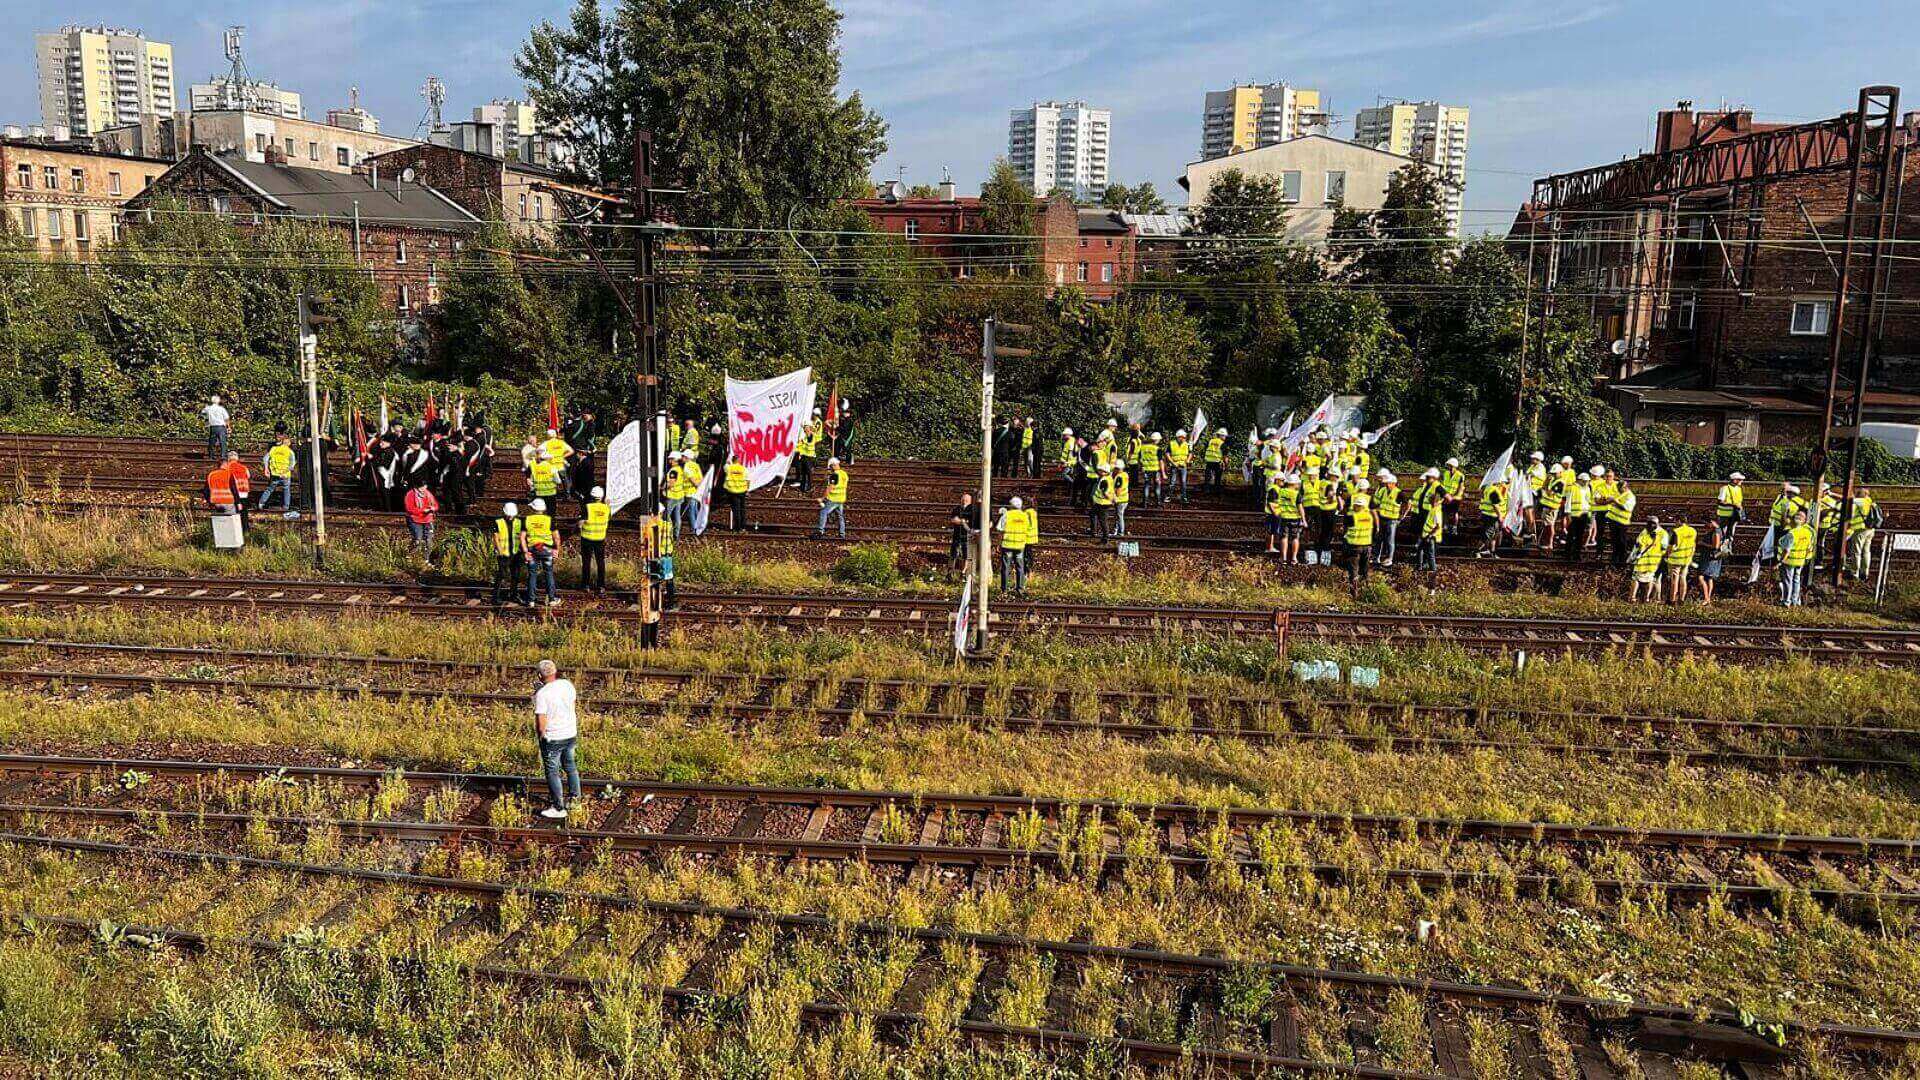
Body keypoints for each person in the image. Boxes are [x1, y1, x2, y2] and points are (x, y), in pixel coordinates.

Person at [533, 660, 580, 820]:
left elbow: (541, 721)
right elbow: (571, 704)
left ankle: (558, 807)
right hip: (570, 733)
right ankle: (575, 801)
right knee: (571, 767)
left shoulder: (542, 694)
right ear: (555, 671)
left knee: (553, 772)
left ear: (540, 675)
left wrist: (541, 737)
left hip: (553, 738)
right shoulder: (567, 685)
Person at [525, 498, 560, 608]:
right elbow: (557, 537)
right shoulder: (549, 520)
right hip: (547, 550)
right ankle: (551, 599)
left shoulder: (527, 519)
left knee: (532, 574)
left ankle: (531, 600)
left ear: (533, 508)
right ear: (543, 509)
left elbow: (522, 537)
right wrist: (556, 549)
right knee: (548, 573)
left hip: (532, 549)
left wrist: (525, 551)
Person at [996, 496, 1032, 597]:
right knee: (1020, 567)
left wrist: (999, 543)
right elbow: (1028, 530)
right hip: (1020, 546)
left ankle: (1004, 590)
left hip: (1007, 546)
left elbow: (999, 529)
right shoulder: (1025, 516)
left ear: (1011, 505)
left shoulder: (1007, 515)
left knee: (1005, 568)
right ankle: (1020, 589)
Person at [492, 502, 525, 606]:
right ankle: (495, 597)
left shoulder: (519, 522)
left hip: (516, 552)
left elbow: (522, 537)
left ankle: (514, 594)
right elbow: (496, 537)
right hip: (504, 553)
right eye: (509, 514)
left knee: (515, 575)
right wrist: (499, 549)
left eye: (512, 514)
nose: (510, 516)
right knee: (501, 575)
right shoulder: (498, 522)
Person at [1629, 516, 1669, 603]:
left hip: (1645, 559)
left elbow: (1638, 545)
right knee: (1651, 579)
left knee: (1636, 579)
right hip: (1654, 560)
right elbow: (1664, 548)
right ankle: (1648, 598)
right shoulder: (1663, 533)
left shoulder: (1646, 531)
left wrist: (1632, 557)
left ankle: (1633, 597)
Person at [1344, 479, 1375, 592]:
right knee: (1365, 570)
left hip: (1355, 546)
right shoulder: (1369, 517)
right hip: (1367, 546)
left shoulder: (1352, 517)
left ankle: (1354, 592)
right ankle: (1367, 589)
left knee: (1354, 570)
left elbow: (1346, 529)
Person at [646, 504, 677, 611]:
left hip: (656, 556)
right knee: (669, 579)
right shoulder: (667, 525)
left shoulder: (650, 525)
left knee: (654, 579)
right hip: (667, 556)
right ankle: (671, 602)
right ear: (661, 513)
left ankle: (654, 603)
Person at [579, 486, 610, 593]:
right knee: (600, 562)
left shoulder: (587, 507)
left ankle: (586, 585)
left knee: (586, 562)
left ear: (592, 496)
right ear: (601, 496)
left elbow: (580, 524)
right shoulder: (606, 508)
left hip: (587, 539)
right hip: (600, 539)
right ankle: (601, 586)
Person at [1780, 510, 1814, 607]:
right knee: (1796, 580)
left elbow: (1787, 550)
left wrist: (1780, 561)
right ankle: (1795, 601)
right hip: (1800, 561)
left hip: (1790, 560)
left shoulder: (1792, 533)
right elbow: (1809, 548)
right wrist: (1805, 559)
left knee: (1788, 581)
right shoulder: (1808, 533)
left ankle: (1786, 602)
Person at [1846, 485, 1880, 581]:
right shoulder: (1869, 501)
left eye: (1859, 493)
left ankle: (1855, 573)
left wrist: (1832, 493)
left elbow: (1848, 499)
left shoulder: (1862, 501)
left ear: (1864, 494)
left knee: (1856, 552)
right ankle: (1864, 572)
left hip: (1860, 530)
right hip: (1870, 530)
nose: (1857, 494)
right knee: (1866, 551)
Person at [403, 479, 438, 561]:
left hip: (428, 519)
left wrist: (433, 508)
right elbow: (409, 508)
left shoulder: (428, 494)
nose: (423, 488)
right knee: (418, 539)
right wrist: (422, 510)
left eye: (424, 486)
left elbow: (435, 505)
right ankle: (409, 556)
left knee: (429, 540)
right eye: (421, 486)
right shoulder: (411, 494)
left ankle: (426, 559)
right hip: (415, 519)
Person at [1606, 478, 1637, 569]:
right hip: (1613, 521)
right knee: (1615, 543)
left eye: (1621, 488)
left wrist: (1614, 501)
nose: (1619, 490)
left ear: (1625, 487)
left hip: (1622, 523)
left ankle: (1621, 563)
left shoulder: (1630, 496)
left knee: (1621, 543)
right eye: (1618, 488)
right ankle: (1614, 562)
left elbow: (1627, 508)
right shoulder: (1619, 494)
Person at [1665, 516, 1697, 603]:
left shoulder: (1677, 531)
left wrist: (1667, 555)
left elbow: (1671, 546)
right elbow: (1693, 544)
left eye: (1675, 521)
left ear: (1679, 521)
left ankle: (1672, 599)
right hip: (1686, 558)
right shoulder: (1693, 531)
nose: (1674, 524)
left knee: (1674, 580)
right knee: (1683, 578)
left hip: (1676, 559)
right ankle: (1682, 599)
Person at [1563, 473, 1593, 564]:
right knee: (1571, 535)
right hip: (1574, 515)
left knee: (1580, 536)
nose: (1586, 483)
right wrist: (1568, 515)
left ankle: (1577, 555)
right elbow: (1568, 502)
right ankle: (1568, 555)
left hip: (1584, 514)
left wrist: (1589, 513)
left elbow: (1588, 502)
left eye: (1587, 481)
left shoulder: (1587, 489)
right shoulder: (1572, 488)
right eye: (1584, 481)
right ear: (1580, 480)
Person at [1374, 471, 1402, 567]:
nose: (1386, 485)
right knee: (1379, 539)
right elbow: (1376, 502)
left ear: (1393, 483)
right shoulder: (1383, 490)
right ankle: (1376, 558)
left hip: (1392, 520)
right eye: (1386, 483)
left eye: (1388, 483)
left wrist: (1401, 517)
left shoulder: (1399, 493)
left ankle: (1390, 559)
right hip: (1382, 518)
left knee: (1390, 540)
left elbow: (1408, 504)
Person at [816, 458, 849, 538]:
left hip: (834, 498)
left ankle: (820, 531)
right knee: (840, 516)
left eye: (830, 467)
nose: (830, 468)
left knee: (823, 512)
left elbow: (830, 488)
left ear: (833, 465)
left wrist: (822, 498)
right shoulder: (844, 474)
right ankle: (842, 534)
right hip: (841, 498)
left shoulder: (834, 475)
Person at [1476, 473, 1507, 558]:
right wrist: (1500, 516)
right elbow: (1495, 505)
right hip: (1491, 515)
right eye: (1501, 482)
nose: (1502, 484)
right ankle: (1477, 551)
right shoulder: (1494, 490)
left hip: (1487, 514)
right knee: (1486, 535)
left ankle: (1492, 552)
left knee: (1494, 535)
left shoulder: (1488, 488)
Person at [1697, 520, 1726, 605]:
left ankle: (1706, 598)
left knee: (1701, 577)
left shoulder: (1716, 532)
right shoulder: (1718, 530)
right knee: (1709, 578)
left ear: (1712, 522)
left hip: (1710, 557)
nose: (1705, 526)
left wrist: (1703, 543)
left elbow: (1715, 546)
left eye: (1707, 524)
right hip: (1711, 557)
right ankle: (1708, 599)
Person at [949, 492, 979, 571]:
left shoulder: (973, 510)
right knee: (953, 554)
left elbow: (973, 522)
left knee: (966, 555)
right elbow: (954, 519)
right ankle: (951, 570)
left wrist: (962, 521)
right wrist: (964, 522)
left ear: (970, 501)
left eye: (966, 500)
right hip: (957, 535)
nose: (964, 501)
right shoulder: (957, 509)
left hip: (967, 537)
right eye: (963, 499)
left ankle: (964, 571)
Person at [793, 411, 822, 492]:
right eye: (805, 428)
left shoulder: (811, 436)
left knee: (808, 472)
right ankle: (803, 486)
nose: (805, 429)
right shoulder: (805, 436)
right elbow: (801, 446)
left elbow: (809, 445)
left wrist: (803, 443)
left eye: (807, 427)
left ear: (810, 428)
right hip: (804, 456)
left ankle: (808, 486)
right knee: (804, 472)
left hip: (809, 456)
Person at [722, 455, 750, 531]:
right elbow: (748, 480)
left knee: (736, 510)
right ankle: (743, 526)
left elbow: (725, 465)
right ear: (739, 460)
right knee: (742, 509)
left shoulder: (728, 468)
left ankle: (737, 528)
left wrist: (728, 462)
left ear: (732, 460)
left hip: (732, 491)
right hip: (742, 490)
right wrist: (747, 490)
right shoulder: (744, 469)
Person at [1089, 463, 1114, 543]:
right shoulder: (1108, 478)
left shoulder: (1104, 480)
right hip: (1099, 502)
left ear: (1105, 471)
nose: (1099, 471)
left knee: (1103, 521)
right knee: (1093, 514)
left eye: (1100, 470)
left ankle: (1105, 538)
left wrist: (1111, 500)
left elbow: (1105, 492)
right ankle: (1094, 531)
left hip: (1102, 503)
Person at [201, 395, 230, 461]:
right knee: (222, 442)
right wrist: (228, 427)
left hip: (213, 426)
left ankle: (211, 455)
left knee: (212, 442)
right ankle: (223, 456)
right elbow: (226, 418)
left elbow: (202, 413)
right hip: (221, 426)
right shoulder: (221, 409)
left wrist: (207, 419)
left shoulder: (208, 408)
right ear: (218, 401)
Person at [1167, 429, 1192, 504]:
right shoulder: (1171, 444)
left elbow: (1190, 453)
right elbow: (1167, 454)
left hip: (1183, 466)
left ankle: (1184, 498)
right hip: (1174, 466)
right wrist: (1172, 462)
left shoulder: (1187, 444)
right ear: (1178, 437)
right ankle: (1169, 497)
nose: (1184, 439)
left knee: (1183, 482)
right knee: (1172, 482)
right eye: (1183, 437)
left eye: (1184, 437)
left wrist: (1188, 460)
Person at [1139, 433, 1164, 506]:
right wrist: (1163, 473)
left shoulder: (1142, 448)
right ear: (1156, 440)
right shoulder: (1157, 449)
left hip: (1146, 470)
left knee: (1146, 486)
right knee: (1157, 486)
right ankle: (1158, 502)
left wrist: (1142, 467)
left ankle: (1145, 503)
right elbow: (1161, 461)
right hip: (1155, 470)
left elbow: (1140, 459)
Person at [1110, 460, 1131, 537]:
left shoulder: (1119, 477)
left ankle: (1120, 532)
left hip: (1120, 499)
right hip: (1125, 498)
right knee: (1118, 516)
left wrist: (1113, 498)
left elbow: (1118, 490)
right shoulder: (1125, 474)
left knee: (1119, 516)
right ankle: (1116, 530)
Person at [1203, 428, 1228, 492]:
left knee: (1207, 478)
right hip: (1217, 463)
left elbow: (1205, 450)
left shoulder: (1210, 441)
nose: (1225, 437)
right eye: (1224, 436)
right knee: (1217, 478)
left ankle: (1206, 490)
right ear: (1221, 435)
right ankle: (1216, 491)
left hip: (1209, 462)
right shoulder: (1222, 444)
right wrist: (1226, 464)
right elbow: (1225, 456)